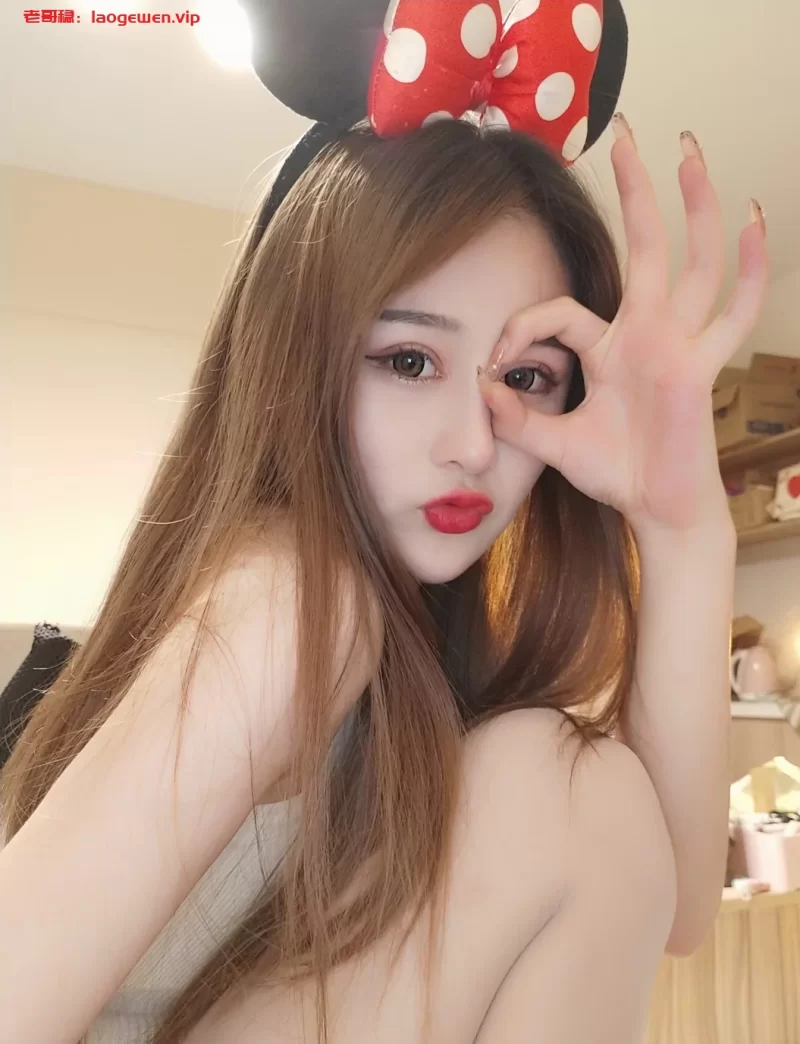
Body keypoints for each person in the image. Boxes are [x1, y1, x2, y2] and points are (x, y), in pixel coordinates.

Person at [0, 1, 768, 1042]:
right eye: (408, 360)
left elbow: (669, 908)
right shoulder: (289, 606)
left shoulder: (405, 642)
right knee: (562, 783)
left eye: (525, 377)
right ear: (297, 361)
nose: (471, 443)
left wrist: (680, 528)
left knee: (574, 787)